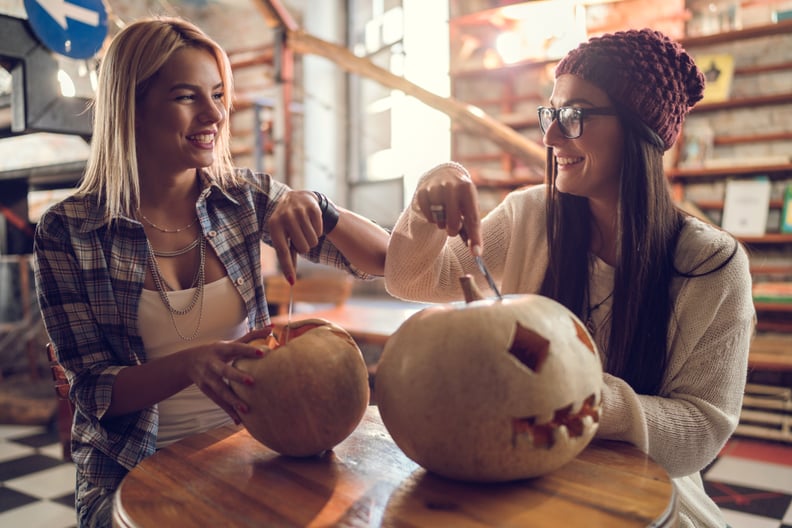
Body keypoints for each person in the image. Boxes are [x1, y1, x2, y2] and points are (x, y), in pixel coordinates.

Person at [385, 28, 754, 528]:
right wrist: (430, 193)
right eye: (551, 113)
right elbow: (412, 280)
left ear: (638, 130)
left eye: (575, 115)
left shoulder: (713, 267)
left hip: (646, 501)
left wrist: (570, 391)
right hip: (515, 485)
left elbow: (702, 430)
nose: (551, 135)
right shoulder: (530, 216)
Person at [33, 16, 389, 527]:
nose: (215, 114)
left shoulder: (243, 199)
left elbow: (383, 262)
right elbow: (91, 393)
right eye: (186, 96)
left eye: (218, 94)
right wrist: (189, 364)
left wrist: (318, 204)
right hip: (131, 473)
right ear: (130, 107)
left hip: (256, 449)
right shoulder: (68, 231)